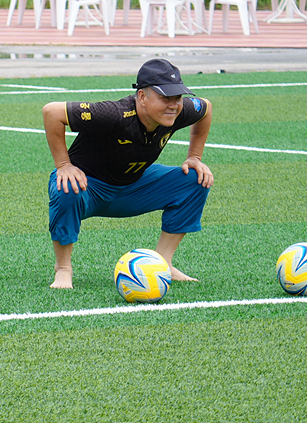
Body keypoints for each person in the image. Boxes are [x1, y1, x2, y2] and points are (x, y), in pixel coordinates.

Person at [45, 58, 214, 289]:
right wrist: (64, 165)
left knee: (197, 179)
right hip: (89, 188)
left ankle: (162, 264)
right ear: (142, 97)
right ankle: (63, 269)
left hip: (133, 186)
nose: (174, 105)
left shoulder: (178, 111)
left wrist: (195, 157)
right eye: (165, 98)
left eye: (178, 97)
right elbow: (52, 112)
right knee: (66, 187)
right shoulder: (113, 113)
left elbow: (206, 107)